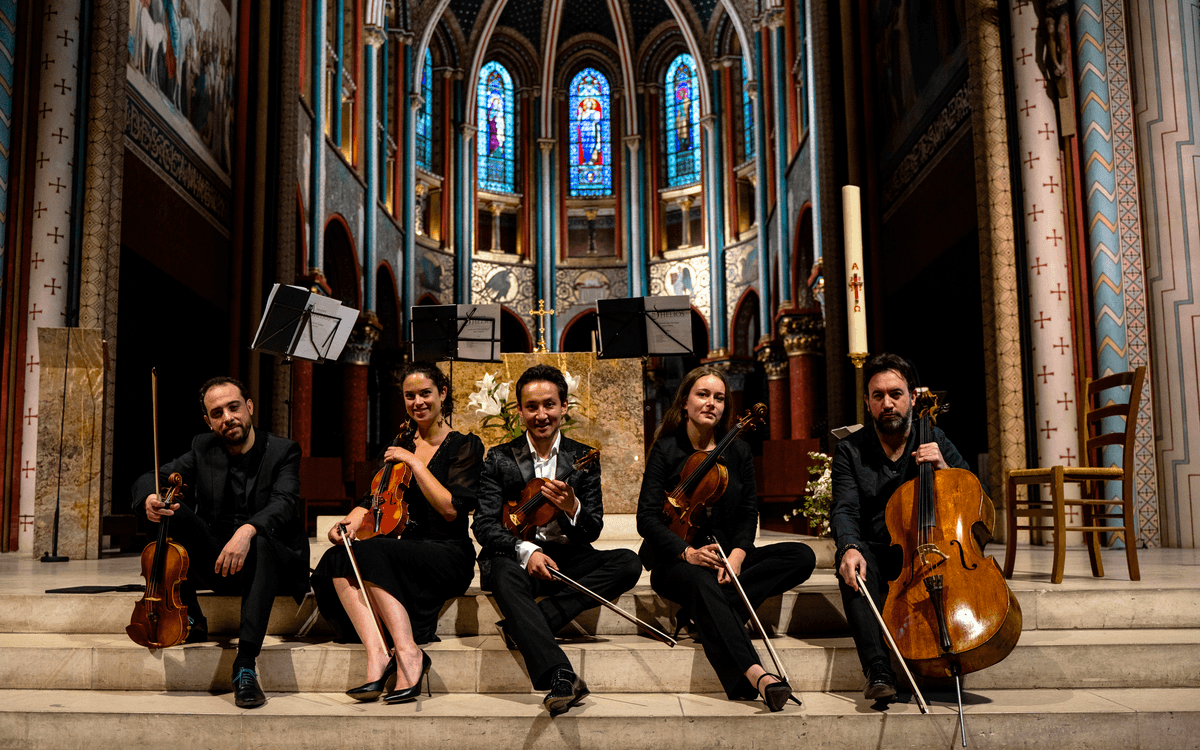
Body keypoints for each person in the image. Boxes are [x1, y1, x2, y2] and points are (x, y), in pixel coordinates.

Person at [636, 366, 816, 711]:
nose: (711, 403)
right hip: (675, 563)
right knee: (702, 582)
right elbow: (646, 518)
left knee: (801, 556)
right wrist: (687, 552)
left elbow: (748, 513)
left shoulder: (739, 451)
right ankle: (758, 676)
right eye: (703, 395)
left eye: (719, 398)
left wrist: (738, 555)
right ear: (684, 402)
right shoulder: (666, 449)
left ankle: (703, 614)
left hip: (725, 559)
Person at [472, 364, 642, 716]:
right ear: (519, 411)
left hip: (567, 557)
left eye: (549, 405)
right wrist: (526, 550)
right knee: (502, 571)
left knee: (628, 562)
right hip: (518, 557)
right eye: (531, 407)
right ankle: (561, 674)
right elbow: (484, 525)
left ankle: (531, 622)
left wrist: (572, 507)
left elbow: (592, 529)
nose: (541, 415)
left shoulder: (583, 458)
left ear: (564, 406)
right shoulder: (500, 458)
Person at [311, 361, 484, 703]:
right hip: (404, 549)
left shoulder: (465, 445)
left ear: (442, 394)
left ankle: (409, 653)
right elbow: (372, 499)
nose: (417, 402)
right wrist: (349, 521)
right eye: (409, 396)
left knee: (371, 552)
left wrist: (415, 461)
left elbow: (451, 508)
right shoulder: (398, 444)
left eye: (425, 393)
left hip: (447, 552)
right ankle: (378, 654)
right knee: (336, 557)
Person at [132, 377, 308, 709]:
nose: (227, 417)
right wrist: (149, 499)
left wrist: (248, 530)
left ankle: (245, 664)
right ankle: (191, 617)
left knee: (261, 541)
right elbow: (152, 477)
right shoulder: (203, 447)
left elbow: (284, 503)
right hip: (220, 560)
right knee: (168, 509)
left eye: (234, 407)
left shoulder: (283, 450)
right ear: (209, 421)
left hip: (270, 564)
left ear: (249, 407)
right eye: (217, 413)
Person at [830, 352, 971, 703]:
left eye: (895, 394)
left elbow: (975, 495)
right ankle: (878, 669)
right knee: (852, 566)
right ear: (867, 402)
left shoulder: (934, 438)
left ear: (911, 396)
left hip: (931, 551)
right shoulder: (850, 450)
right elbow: (844, 508)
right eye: (878, 396)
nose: (887, 404)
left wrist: (944, 468)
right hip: (877, 553)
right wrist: (849, 547)